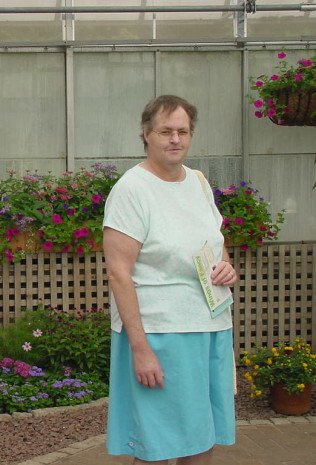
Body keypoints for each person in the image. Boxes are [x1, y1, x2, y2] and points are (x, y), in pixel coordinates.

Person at [102, 95, 237, 465]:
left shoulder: (198, 181)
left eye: (183, 131)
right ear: (146, 135)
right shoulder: (132, 189)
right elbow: (119, 273)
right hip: (160, 333)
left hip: (209, 325)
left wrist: (227, 267)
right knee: (158, 441)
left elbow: (215, 244)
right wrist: (140, 349)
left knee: (201, 433)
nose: (174, 139)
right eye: (165, 131)